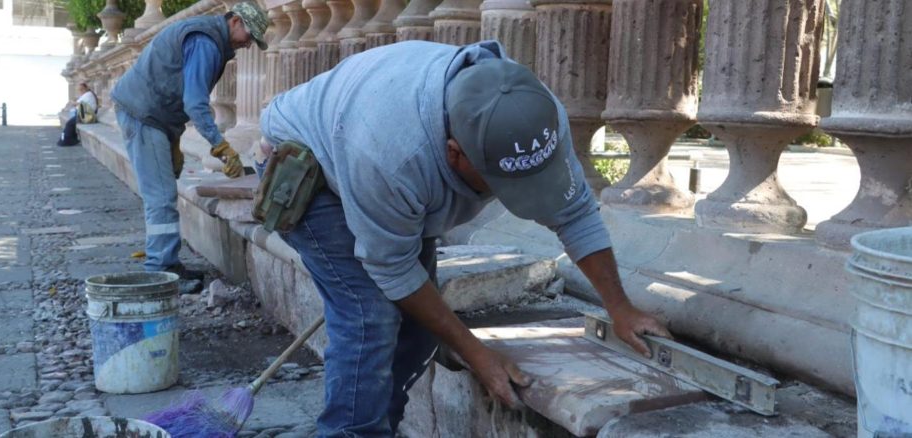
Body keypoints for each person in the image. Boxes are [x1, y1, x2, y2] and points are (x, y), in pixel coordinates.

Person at [258, 40, 673, 436]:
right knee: (371, 316)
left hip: (385, 159)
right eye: (500, 182)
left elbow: (576, 212)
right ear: (454, 152)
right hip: (309, 166)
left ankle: (378, 425)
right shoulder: (391, 157)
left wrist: (621, 308)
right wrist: (477, 353)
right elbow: (393, 268)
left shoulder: (532, 115)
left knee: (419, 330)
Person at [110, 1, 269, 293]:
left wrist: (174, 139)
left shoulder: (209, 39)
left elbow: (174, 88)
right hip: (144, 114)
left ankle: (167, 263)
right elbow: (194, 102)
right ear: (234, 21)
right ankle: (160, 270)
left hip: (152, 116)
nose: (249, 44)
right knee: (161, 197)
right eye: (249, 35)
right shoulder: (207, 42)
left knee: (164, 190)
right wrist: (221, 146)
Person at [57, 82, 98, 147]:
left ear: (86, 88)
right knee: (71, 123)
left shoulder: (88, 94)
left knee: (69, 124)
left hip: (86, 116)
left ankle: (66, 140)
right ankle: (70, 139)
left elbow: (76, 103)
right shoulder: (87, 94)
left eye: (82, 89)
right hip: (84, 115)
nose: (81, 91)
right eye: (80, 89)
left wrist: (72, 101)